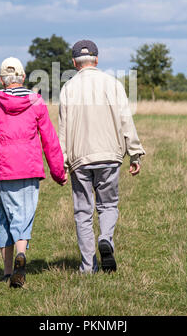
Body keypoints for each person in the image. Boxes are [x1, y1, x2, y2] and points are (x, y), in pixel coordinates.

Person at [0, 57, 66, 287]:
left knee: (4, 218)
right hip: (28, 166)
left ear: (0, 79)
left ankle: (7, 271)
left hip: (2, 168)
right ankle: (21, 254)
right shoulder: (36, 101)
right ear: (23, 77)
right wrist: (58, 173)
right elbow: (49, 139)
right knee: (23, 215)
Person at [59, 40, 145, 274]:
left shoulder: (68, 88)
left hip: (80, 159)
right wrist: (135, 153)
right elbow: (126, 120)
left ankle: (88, 266)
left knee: (83, 212)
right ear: (97, 60)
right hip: (110, 155)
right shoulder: (113, 84)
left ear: (74, 63)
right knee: (108, 205)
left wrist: (62, 163)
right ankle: (105, 238)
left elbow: (63, 128)